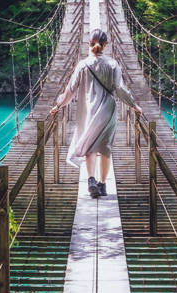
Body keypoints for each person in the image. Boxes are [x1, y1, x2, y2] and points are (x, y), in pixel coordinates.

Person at [50, 28, 142, 199]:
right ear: (106, 45)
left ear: (89, 44)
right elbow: (121, 89)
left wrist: (59, 105)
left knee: (90, 145)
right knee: (105, 147)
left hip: (88, 110)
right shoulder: (113, 64)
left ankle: (91, 180)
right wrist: (134, 105)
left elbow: (70, 90)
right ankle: (103, 184)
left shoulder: (82, 65)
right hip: (108, 110)